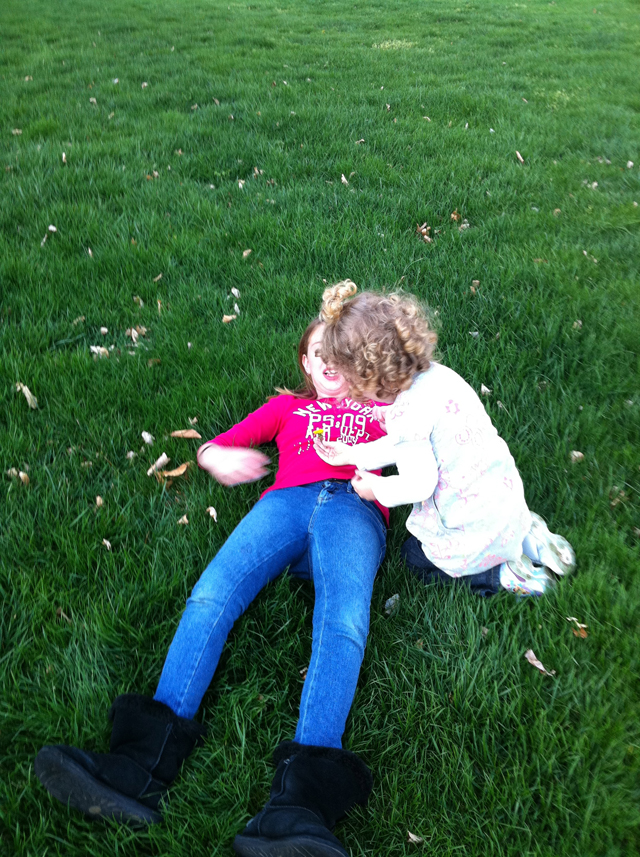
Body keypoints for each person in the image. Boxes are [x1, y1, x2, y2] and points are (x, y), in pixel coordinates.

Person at [35, 318, 389, 857]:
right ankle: (141, 766)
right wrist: (216, 456)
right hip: (284, 505)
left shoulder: (383, 410)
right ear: (305, 362)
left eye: (341, 350)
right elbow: (215, 446)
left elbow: (429, 443)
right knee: (211, 595)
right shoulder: (289, 408)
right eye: (319, 351)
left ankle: (300, 807)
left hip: (354, 511)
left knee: (342, 623)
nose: (329, 360)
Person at [314, 281, 575, 597]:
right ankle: (529, 538)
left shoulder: (406, 412)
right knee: (499, 525)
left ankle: (502, 574)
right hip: (503, 501)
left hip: (473, 526)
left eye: (354, 381)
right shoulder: (438, 376)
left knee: (414, 557)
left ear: (370, 376)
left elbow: (419, 485)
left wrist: (377, 488)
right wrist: (353, 454)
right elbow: (406, 444)